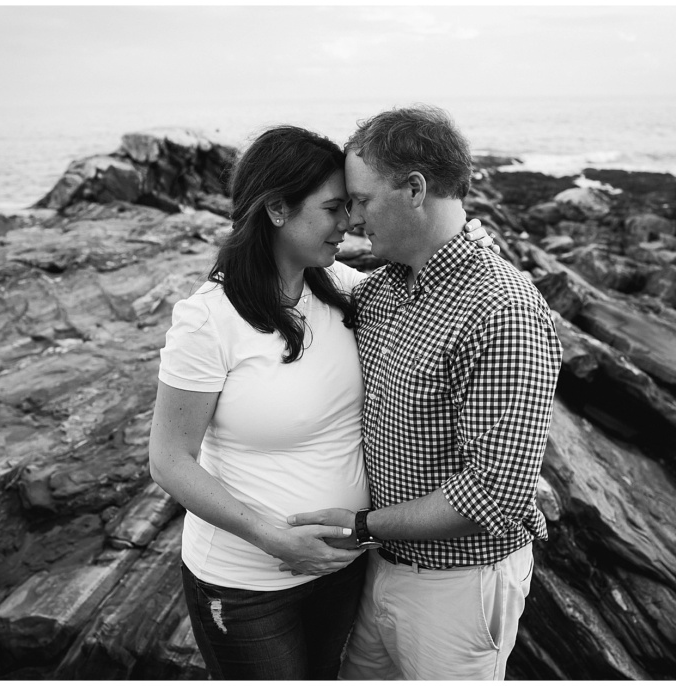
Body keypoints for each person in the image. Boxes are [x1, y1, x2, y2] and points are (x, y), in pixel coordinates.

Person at [148, 124, 493, 680]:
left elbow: (434, 286)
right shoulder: (207, 320)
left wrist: (475, 251)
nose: (351, 222)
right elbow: (168, 460)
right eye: (335, 207)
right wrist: (272, 536)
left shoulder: (343, 286)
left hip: (346, 570)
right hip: (249, 584)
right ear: (278, 210)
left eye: (354, 204)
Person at [287, 105, 563, 680]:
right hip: (379, 571)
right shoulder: (383, 290)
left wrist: (360, 525)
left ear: (414, 189)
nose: (353, 219)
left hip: (458, 590)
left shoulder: (502, 310)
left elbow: (495, 496)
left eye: (361, 200)